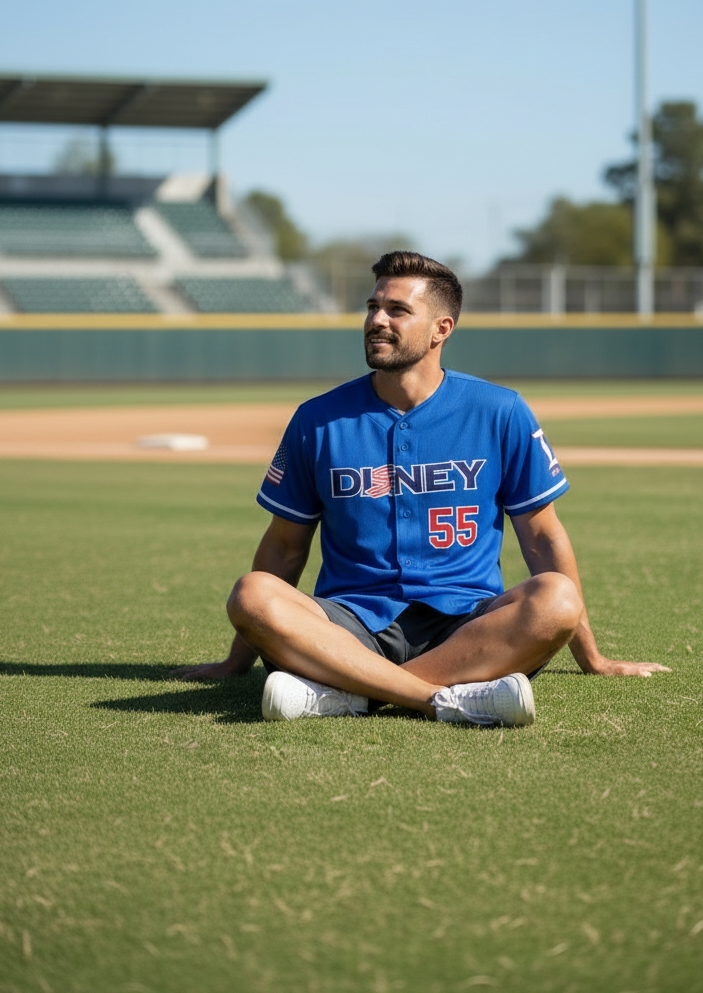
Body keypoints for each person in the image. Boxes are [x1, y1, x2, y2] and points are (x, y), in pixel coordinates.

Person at [176, 251, 669, 725]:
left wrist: (593, 658)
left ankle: (348, 696)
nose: (377, 320)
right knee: (252, 594)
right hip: (349, 624)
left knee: (558, 598)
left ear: (441, 329)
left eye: (397, 309)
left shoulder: (500, 411)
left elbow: (543, 539)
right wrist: (236, 661)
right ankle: (440, 700)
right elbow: (284, 548)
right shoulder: (317, 419)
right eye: (372, 306)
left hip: (468, 627)